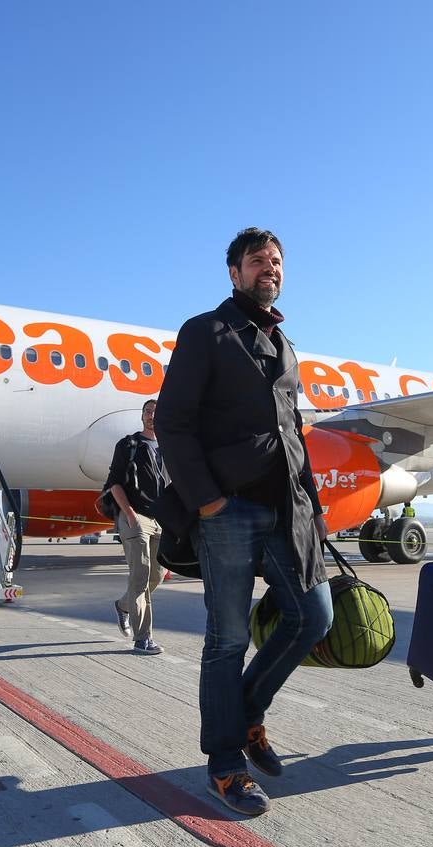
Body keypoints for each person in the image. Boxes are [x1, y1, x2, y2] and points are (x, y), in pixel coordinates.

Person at [154, 227, 332, 817]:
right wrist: (207, 502)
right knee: (227, 639)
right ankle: (226, 764)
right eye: (258, 261)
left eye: (276, 261)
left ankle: (248, 711)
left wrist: (314, 508)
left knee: (315, 614)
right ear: (235, 273)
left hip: (287, 507)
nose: (269, 268)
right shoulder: (206, 331)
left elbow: (292, 434)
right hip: (228, 509)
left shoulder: (284, 345)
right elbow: (174, 423)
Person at [105, 399, 169, 656]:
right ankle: (143, 639)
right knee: (140, 576)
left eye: (156, 412)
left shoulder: (169, 446)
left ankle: (124, 605)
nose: (152, 415)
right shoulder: (129, 445)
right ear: (142, 416)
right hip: (135, 516)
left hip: (161, 519)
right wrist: (129, 514)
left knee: (157, 575)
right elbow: (114, 483)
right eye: (148, 412)